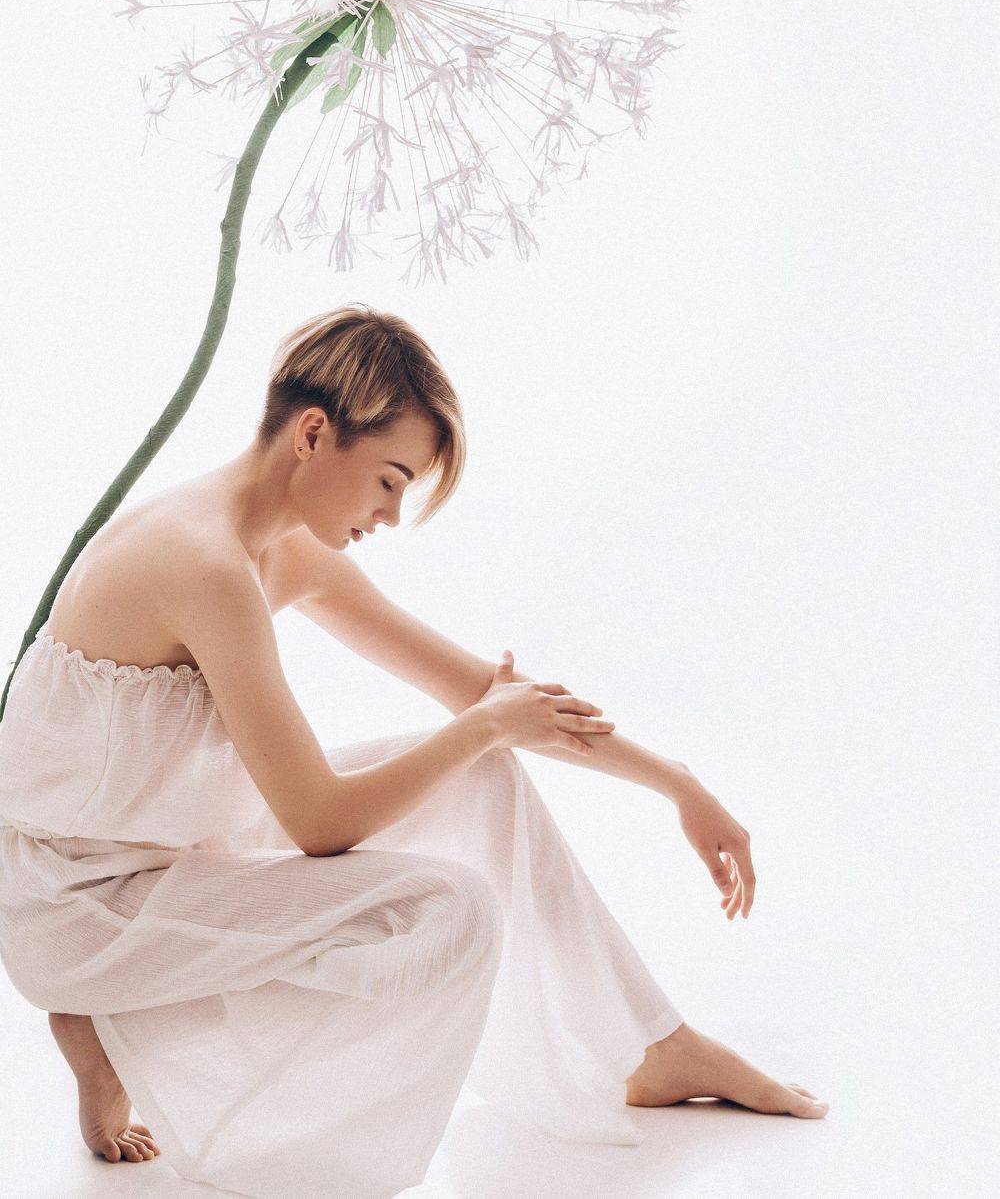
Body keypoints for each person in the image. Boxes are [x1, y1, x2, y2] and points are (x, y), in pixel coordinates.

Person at [0, 304, 827, 1197]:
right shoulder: (200, 561)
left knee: (485, 776)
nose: (392, 516)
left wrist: (675, 784)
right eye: (390, 480)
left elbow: (480, 692)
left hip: (171, 851)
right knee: (451, 911)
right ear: (312, 435)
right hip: (83, 906)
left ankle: (652, 1046)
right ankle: (122, 1024)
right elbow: (320, 821)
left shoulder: (281, 550)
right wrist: (484, 727)